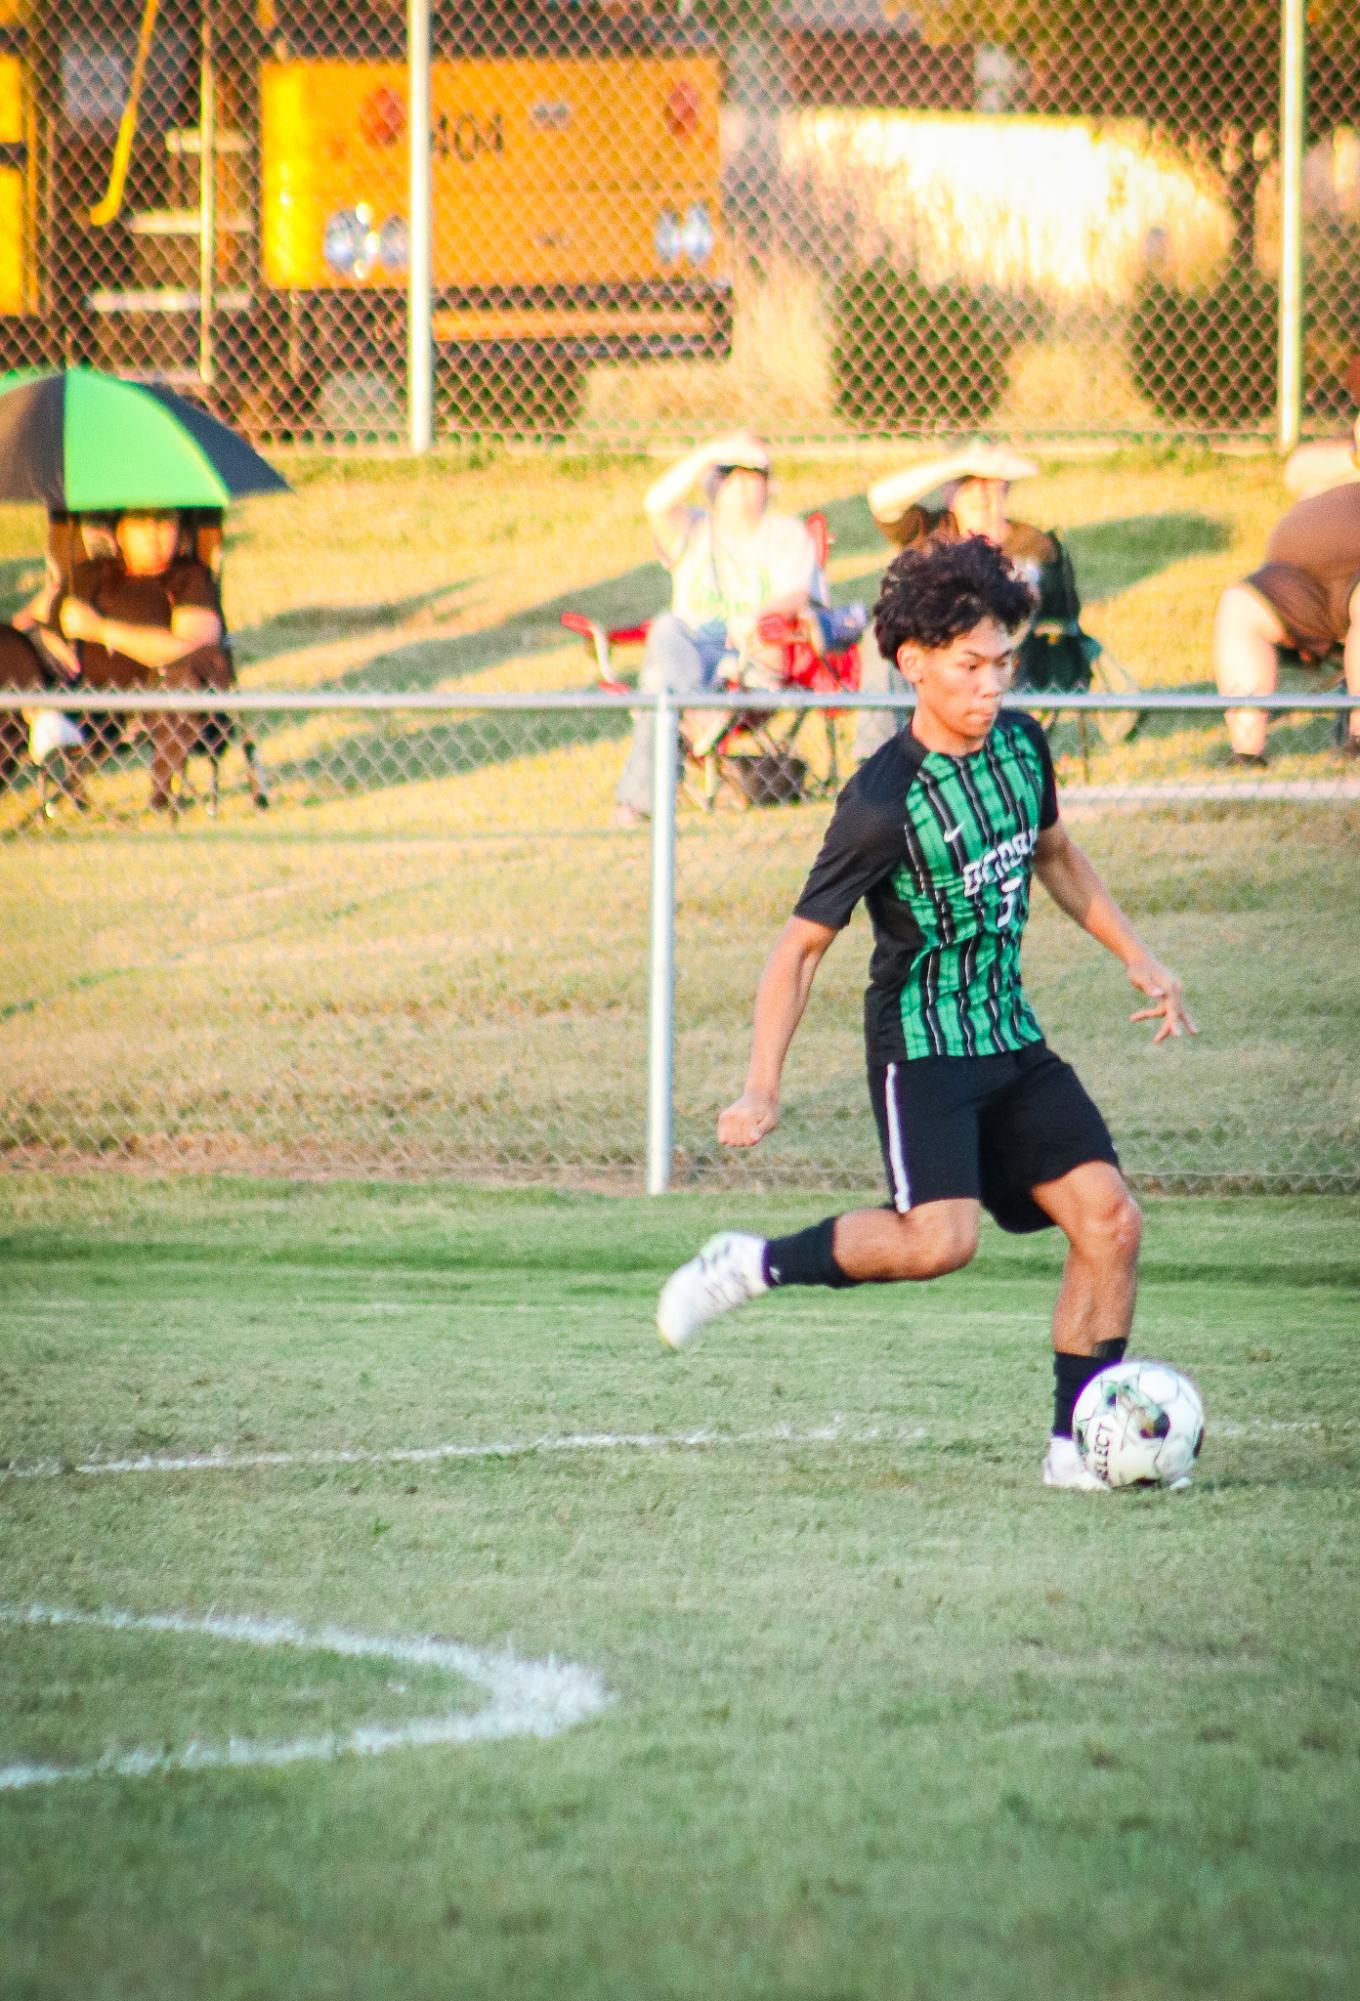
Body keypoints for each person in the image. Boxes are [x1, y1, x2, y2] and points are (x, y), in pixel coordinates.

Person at [654, 534, 1198, 1493]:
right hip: (924, 1048)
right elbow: (800, 948)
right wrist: (760, 1086)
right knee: (938, 1241)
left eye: (1004, 664)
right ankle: (751, 1263)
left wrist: (1139, 957)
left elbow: (1057, 856)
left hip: (1010, 1037)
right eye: (970, 667)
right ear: (913, 663)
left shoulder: (1023, 748)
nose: (993, 686)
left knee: (1110, 1220)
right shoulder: (881, 801)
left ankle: (1078, 1448)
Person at [613, 433, 822, 826]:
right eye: (729, 473)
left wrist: (759, 616)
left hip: (751, 659)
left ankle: (639, 804)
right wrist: (711, 451)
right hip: (689, 656)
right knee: (666, 630)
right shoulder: (690, 528)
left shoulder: (786, 534)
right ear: (710, 482)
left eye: (754, 474)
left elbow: (798, 593)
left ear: (770, 484)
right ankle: (692, 708)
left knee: (658, 697)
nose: (742, 484)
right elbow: (655, 501)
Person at [853, 441, 1073, 762]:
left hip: (998, 664)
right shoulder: (931, 530)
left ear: (1005, 488)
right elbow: (881, 499)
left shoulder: (1032, 545)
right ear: (948, 493)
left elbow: (1020, 613)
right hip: (932, 656)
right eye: (966, 483)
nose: (980, 494)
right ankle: (876, 764)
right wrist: (950, 467)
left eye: (989, 484)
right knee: (882, 637)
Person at [55, 508, 234, 810]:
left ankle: (164, 795)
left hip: (165, 699)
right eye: (141, 521)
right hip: (85, 699)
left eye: (165, 521)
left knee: (181, 676)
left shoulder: (189, 578)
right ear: (119, 532)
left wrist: (100, 630)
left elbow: (193, 649)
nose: (154, 533)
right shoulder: (89, 575)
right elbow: (38, 624)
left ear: (181, 532)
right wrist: (41, 637)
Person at [1212, 479, 1360, 765]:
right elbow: (1300, 470)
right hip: (1296, 578)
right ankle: (1247, 753)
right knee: (1240, 605)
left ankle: (1359, 742)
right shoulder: (1339, 450)